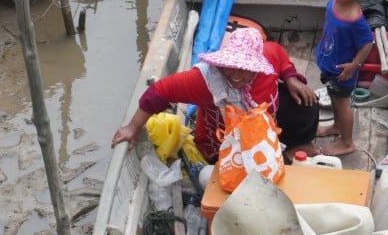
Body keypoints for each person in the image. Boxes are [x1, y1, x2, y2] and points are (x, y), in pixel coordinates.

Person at [111, 27, 318, 163]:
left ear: (258, 66)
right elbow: (158, 92)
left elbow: (280, 55)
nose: (235, 76)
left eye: (244, 69)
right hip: (227, 144)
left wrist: (290, 77)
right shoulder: (205, 81)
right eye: (230, 67)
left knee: (307, 104)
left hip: (265, 124)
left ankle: (298, 144)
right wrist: (133, 127)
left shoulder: (269, 55)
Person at [315, 0, 375, 156]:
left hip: (342, 70)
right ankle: (336, 126)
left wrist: (354, 65)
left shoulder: (354, 18)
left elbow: (367, 42)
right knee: (333, 96)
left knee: (342, 103)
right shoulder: (334, 1)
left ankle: (347, 142)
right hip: (329, 61)